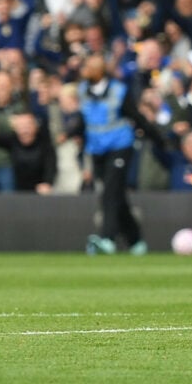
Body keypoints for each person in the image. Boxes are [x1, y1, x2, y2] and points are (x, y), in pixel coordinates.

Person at [77, 54, 168, 255]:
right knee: (117, 195)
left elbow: (136, 116)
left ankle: (107, 239)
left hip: (120, 146)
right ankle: (135, 241)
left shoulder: (118, 91)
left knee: (109, 192)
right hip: (97, 150)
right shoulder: (82, 91)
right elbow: (84, 120)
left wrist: (158, 138)